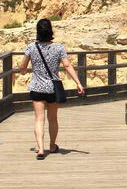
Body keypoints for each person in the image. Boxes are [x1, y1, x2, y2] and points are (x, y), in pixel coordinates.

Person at [19, 18, 85, 160]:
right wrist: (78, 83)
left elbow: (22, 68)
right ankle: (52, 145)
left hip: (37, 87)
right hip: (53, 88)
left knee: (39, 119)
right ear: (50, 31)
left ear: (38, 31)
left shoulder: (31, 47)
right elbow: (67, 66)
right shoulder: (59, 47)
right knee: (53, 119)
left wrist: (24, 71)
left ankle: (41, 149)